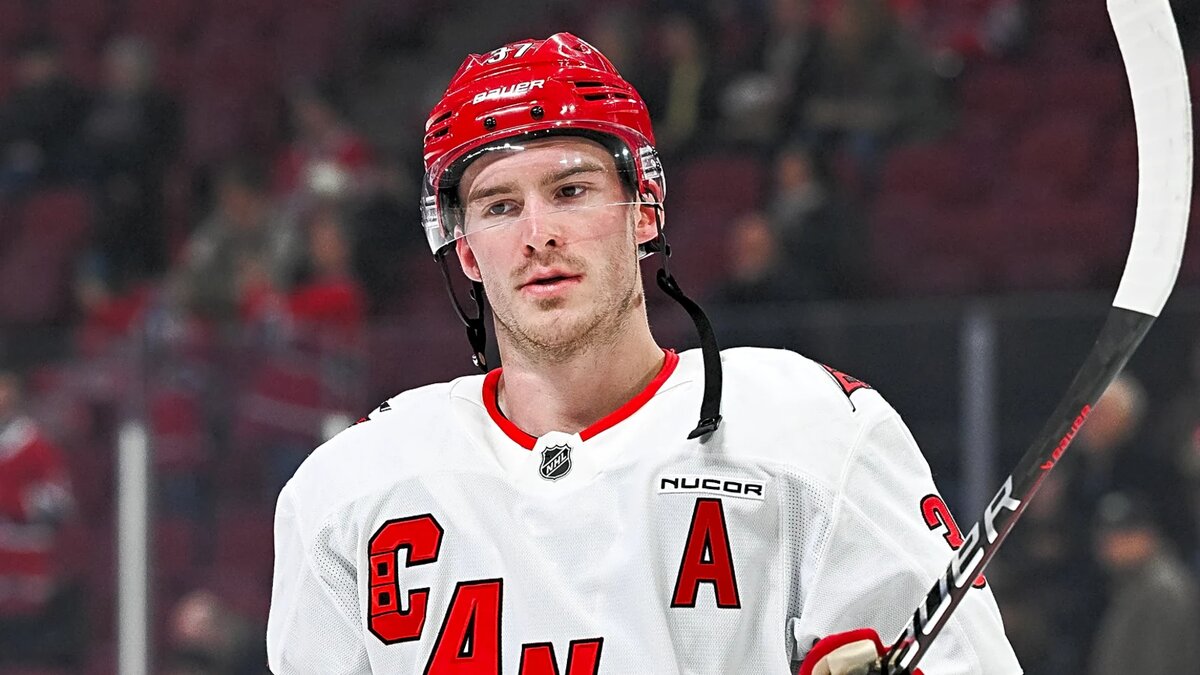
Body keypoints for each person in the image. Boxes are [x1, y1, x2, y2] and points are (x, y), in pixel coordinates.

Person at [267, 34, 1020, 674]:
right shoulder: (351, 493)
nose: (537, 234)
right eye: (500, 206)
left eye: (571, 191)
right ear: (464, 249)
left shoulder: (817, 438)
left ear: (644, 210)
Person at [0, 370, 79, 667]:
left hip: (28, 555)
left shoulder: (36, 445)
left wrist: (16, 501)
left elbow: (60, 500)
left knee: (25, 648)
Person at [1087, 492, 1200, 675]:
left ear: (1148, 535)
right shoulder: (1133, 585)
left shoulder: (1162, 591)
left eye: (1124, 534)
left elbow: (1158, 666)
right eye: (1106, 536)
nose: (1112, 545)